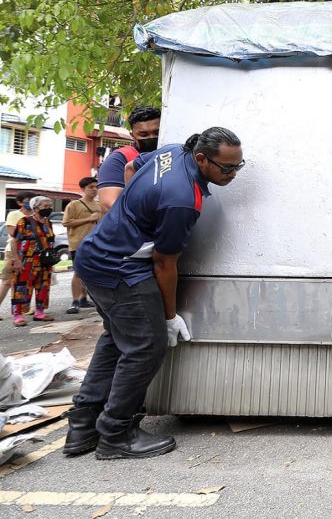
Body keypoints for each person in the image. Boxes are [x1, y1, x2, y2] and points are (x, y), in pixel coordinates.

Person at [63, 127, 245, 460]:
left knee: (116, 339)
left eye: (239, 166)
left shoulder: (172, 151)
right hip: (119, 268)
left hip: (94, 256)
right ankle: (116, 433)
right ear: (202, 159)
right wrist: (169, 316)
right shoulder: (182, 200)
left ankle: (83, 425)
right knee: (147, 347)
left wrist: (133, 212)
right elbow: (164, 263)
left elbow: (133, 169)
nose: (233, 174)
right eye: (228, 168)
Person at [97, 105, 161, 213]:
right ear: (132, 135)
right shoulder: (119, 159)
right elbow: (109, 205)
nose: (151, 137)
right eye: (144, 134)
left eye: (156, 133)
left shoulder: (173, 154)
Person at [10, 196, 57, 326]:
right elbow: (15, 241)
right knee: (21, 287)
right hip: (26, 260)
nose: (48, 209)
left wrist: (51, 261)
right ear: (35, 208)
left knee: (43, 286)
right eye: (45, 206)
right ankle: (18, 315)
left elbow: (50, 242)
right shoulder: (24, 221)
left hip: (44, 260)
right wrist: (16, 260)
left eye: (50, 206)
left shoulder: (49, 223)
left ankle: (39, 312)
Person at [63, 177, 102, 314]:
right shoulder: (74, 205)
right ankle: (75, 301)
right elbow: (66, 222)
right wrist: (88, 219)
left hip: (96, 244)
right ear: (83, 189)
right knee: (78, 273)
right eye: (91, 187)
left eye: (96, 186)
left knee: (92, 272)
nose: (94, 189)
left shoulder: (99, 205)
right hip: (78, 244)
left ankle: (84, 298)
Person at [0, 191, 35, 316]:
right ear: (20, 202)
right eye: (27, 200)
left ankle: (21, 308)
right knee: (7, 281)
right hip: (13, 251)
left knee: (23, 282)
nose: (30, 203)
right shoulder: (14, 214)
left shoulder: (35, 216)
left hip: (29, 252)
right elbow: (12, 233)